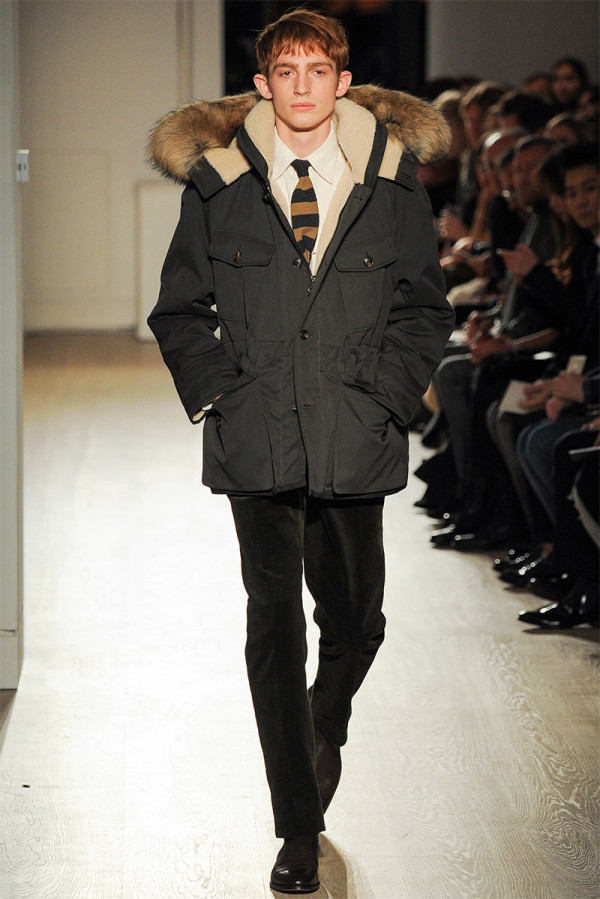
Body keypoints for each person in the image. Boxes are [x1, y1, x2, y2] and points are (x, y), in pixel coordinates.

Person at [146, 9, 454, 894]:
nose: (303, 86)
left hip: (355, 428)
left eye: (319, 70)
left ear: (344, 83)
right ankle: (297, 824)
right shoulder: (218, 186)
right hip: (260, 436)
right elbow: (179, 311)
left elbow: (424, 309)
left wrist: (387, 398)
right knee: (273, 627)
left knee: (357, 619)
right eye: (286, 71)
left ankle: (325, 722)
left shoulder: (392, 184)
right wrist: (224, 397)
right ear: (263, 85)